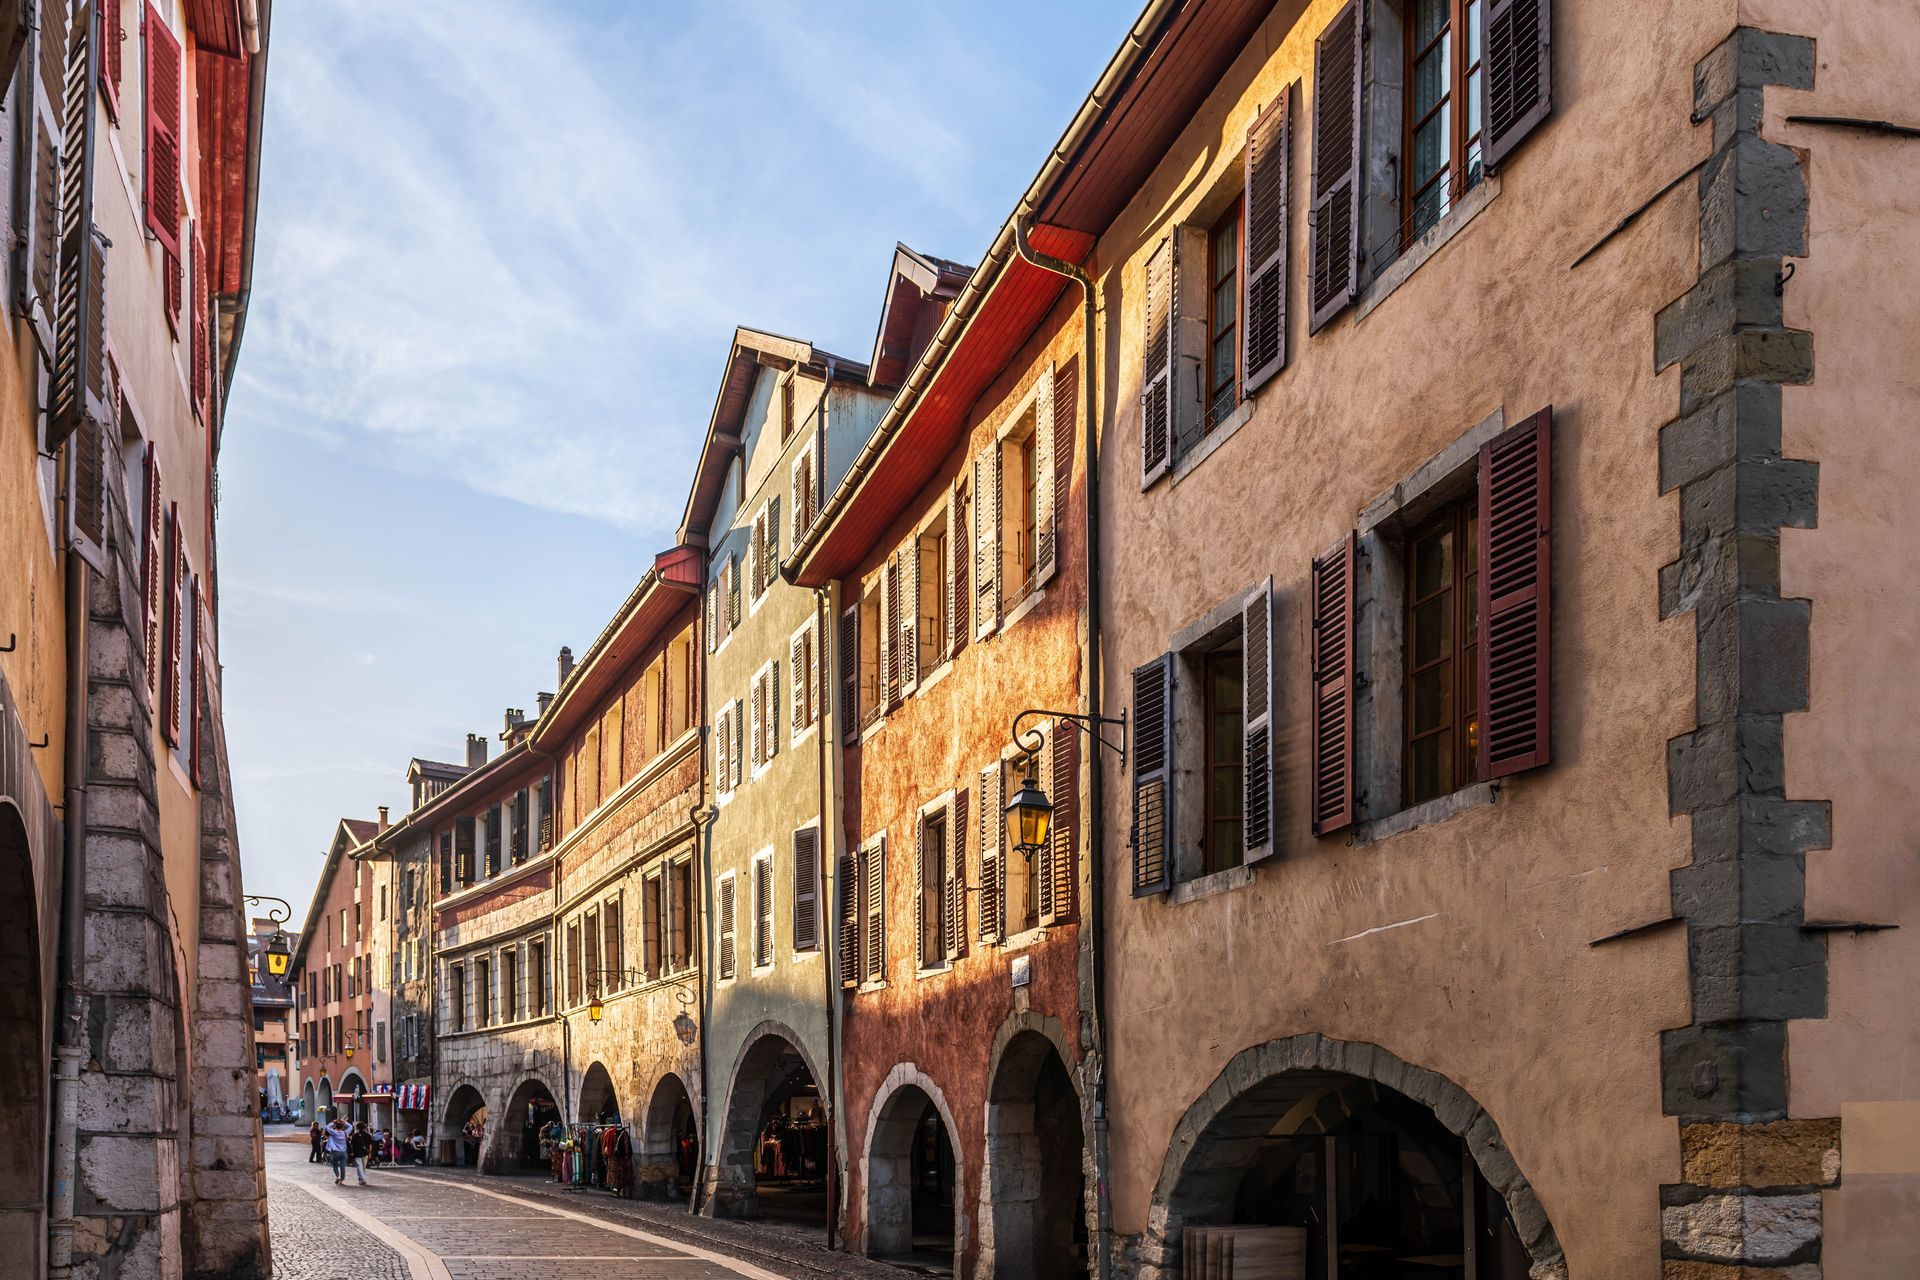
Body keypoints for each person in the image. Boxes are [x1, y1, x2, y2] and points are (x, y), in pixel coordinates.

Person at [324, 1118, 350, 1184]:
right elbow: (350, 1127)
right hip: (343, 1152)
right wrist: (344, 1122)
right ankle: (342, 1179)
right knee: (342, 1166)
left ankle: (338, 1176)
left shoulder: (334, 1132)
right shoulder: (345, 1133)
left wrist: (333, 1122)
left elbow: (327, 1127)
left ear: (336, 1126)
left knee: (335, 1165)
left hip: (335, 1152)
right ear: (343, 1127)